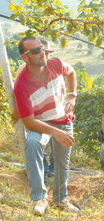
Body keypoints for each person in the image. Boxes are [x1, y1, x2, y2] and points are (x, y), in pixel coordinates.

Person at [14, 36, 79, 216]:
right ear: (25, 57)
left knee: (62, 162)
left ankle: (60, 200)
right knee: (32, 143)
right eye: (35, 51)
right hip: (40, 122)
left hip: (63, 119)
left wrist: (72, 95)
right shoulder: (21, 85)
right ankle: (39, 198)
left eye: (41, 48)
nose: (42, 53)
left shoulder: (55, 64)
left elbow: (71, 72)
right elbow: (28, 121)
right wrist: (55, 132)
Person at [12, 40, 56, 183]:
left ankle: (52, 171)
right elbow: (18, 92)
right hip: (34, 115)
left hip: (54, 114)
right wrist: (18, 111)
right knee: (35, 142)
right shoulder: (23, 70)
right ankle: (43, 172)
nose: (45, 55)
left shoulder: (52, 68)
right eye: (39, 52)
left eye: (46, 52)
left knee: (56, 142)